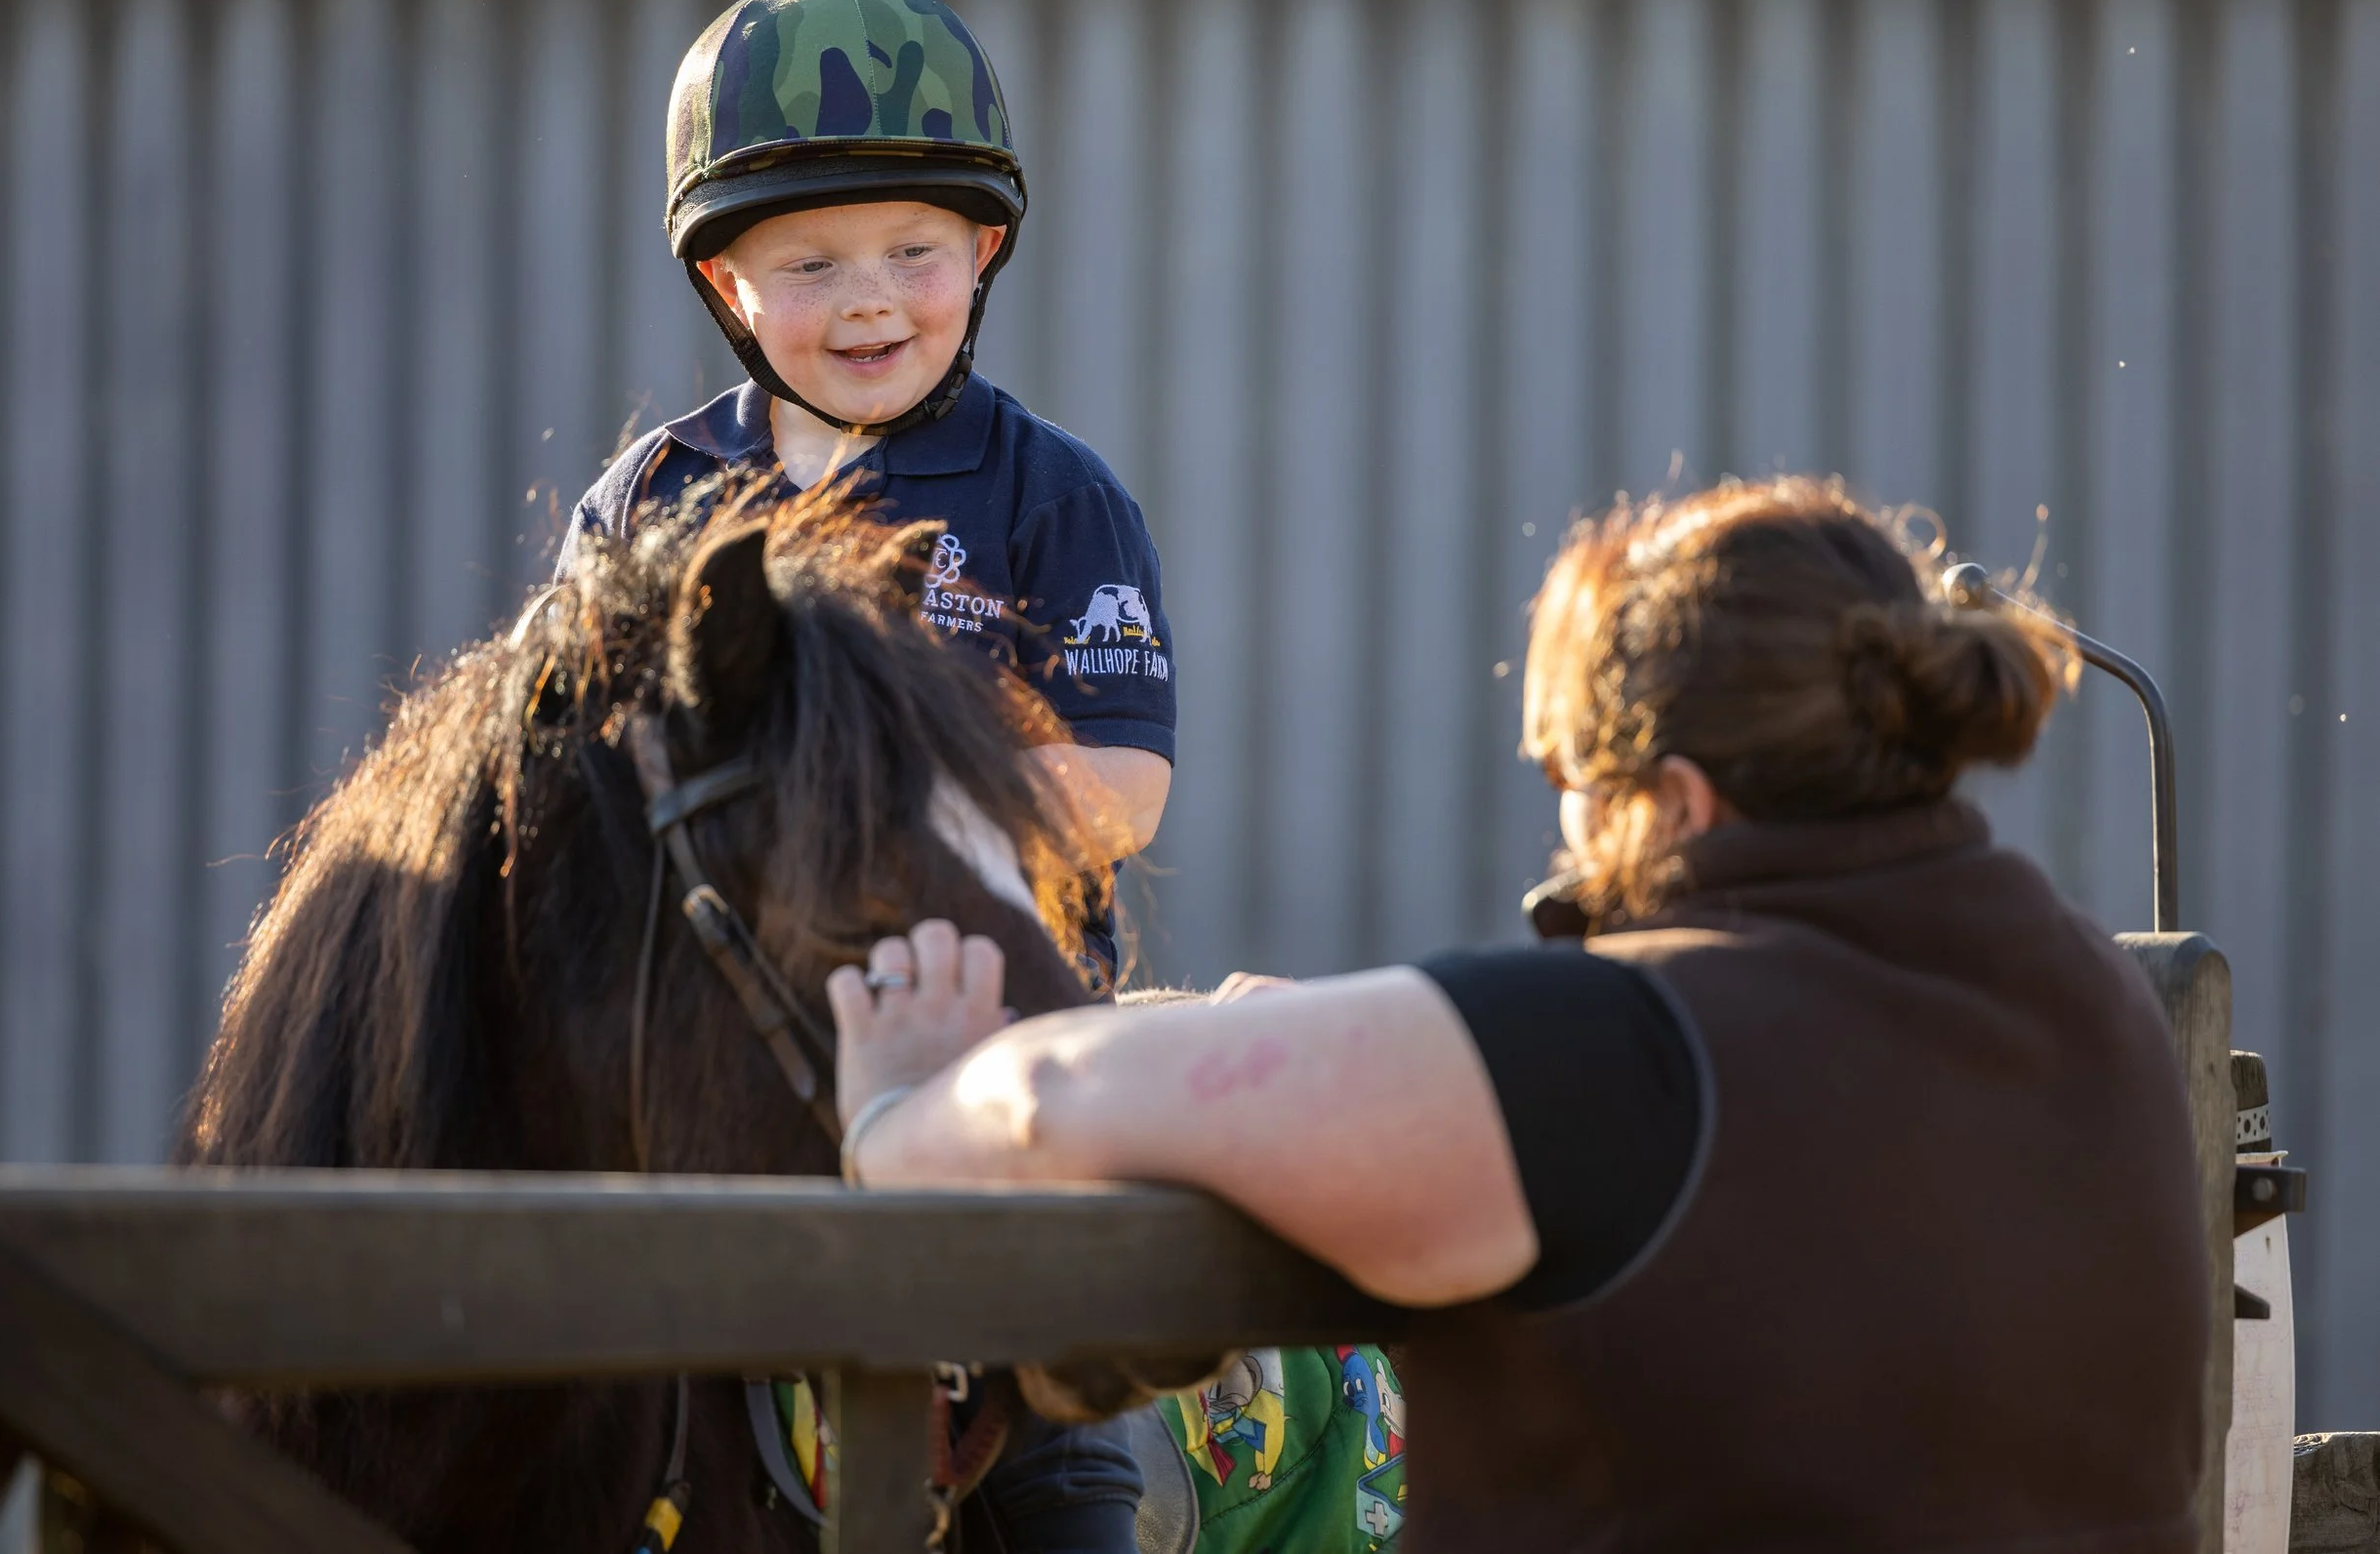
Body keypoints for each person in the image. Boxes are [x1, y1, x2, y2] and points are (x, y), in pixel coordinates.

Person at [824, 476, 2211, 1552]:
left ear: (1673, 801)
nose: (1566, 837)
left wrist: (894, 1110)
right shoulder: (2095, 1005)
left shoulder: (1620, 1049)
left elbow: (1054, 1093)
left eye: (1572, 779)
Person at [557, 0, 1174, 984]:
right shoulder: (650, 497)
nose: (869, 301)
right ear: (725, 281)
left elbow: (1126, 783)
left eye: (911, 253)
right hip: (706, 1016)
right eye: (809, 265)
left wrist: (864, 817)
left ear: (983, 248)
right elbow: (575, 779)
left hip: (981, 998)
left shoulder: (1055, 496)